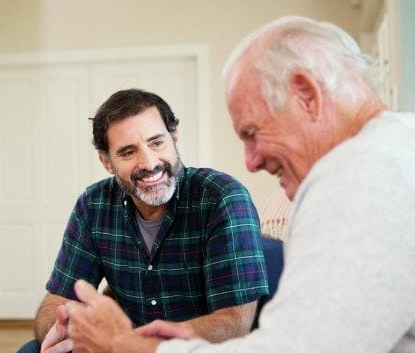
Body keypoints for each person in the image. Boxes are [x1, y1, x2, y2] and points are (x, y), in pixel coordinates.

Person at [62, 15, 415, 353]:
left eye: (253, 133)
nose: (251, 161)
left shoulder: (365, 173)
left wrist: (130, 346)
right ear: (107, 162)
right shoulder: (408, 146)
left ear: (306, 94)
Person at [18, 88, 269, 353]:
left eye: (157, 142)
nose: (149, 163)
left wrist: (131, 345)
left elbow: (233, 324)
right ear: (107, 162)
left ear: (174, 139)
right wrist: (64, 328)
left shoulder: (223, 198)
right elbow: (56, 301)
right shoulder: (93, 205)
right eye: (128, 152)